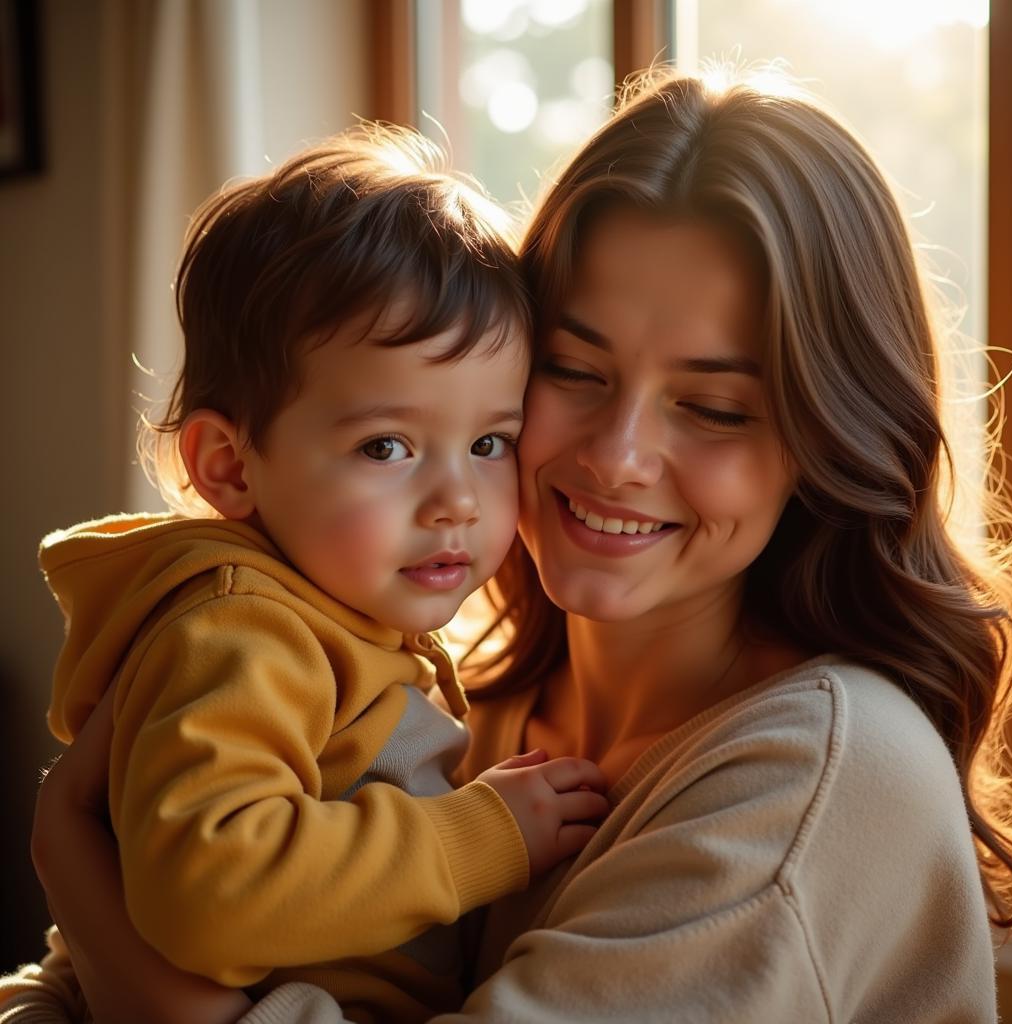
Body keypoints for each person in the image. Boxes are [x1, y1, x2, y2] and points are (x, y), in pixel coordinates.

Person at [12, 68, 1012, 1022]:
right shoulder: (447, 692)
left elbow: (153, 929)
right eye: (575, 370)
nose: (619, 455)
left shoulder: (820, 780)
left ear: (823, 439)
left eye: (713, 408)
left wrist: (73, 858)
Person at [0, 128, 610, 1024]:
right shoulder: (244, 629)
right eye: (386, 446)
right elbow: (210, 890)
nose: (457, 501)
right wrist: (484, 835)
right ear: (231, 466)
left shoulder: (347, 613)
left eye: (489, 443)